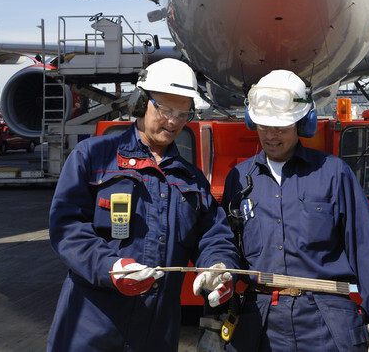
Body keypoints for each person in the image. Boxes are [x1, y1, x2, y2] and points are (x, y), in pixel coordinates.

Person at [47, 58, 239, 351]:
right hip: (89, 325)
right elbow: (67, 227)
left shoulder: (193, 180)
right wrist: (110, 266)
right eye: (164, 110)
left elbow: (213, 235)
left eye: (183, 113)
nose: (174, 121)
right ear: (140, 103)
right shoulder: (93, 157)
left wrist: (218, 266)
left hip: (155, 332)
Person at [212, 70, 369, 352]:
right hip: (261, 321)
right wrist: (219, 266)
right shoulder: (239, 179)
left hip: (327, 320)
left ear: (302, 123)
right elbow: (226, 242)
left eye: (281, 126)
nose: (271, 134)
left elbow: (366, 250)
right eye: (264, 125)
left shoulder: (333, 173)